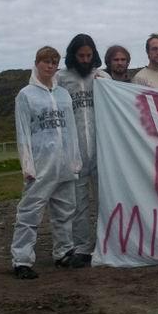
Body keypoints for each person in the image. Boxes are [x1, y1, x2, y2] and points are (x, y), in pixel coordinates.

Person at [11, 46, 82, 279]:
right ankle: (21, 260)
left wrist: (74, 159)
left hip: (64, 163)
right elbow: (23, 133)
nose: (50, 66)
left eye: (54, 62)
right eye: (46, 62)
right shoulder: (26, 95)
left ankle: (63, 252)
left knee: (65, 210)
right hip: (42, 163)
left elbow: (71, 129)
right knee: (30, 212)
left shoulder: (63, 94)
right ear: (37, 63)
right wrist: (27, 165)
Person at [57, 33, 111, 268]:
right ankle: (81, 248)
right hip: (75, 150)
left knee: (104, 198)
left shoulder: (102, 77)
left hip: (102, 149)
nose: (85, 60)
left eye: (89, 55)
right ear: (73, 55)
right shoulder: (61, 79)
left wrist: (105, 83)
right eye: (81, 56)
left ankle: (106, 242)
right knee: (78, 202)